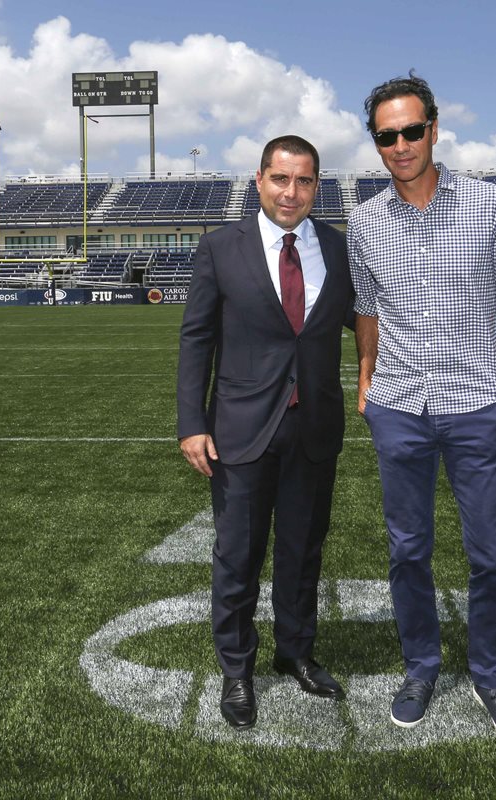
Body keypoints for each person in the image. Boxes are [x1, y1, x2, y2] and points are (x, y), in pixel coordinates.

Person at [347, 73, 496, 743]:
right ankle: (421, 667)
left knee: (490, 553)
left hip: (476, 404)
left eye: (409, 131)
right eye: (385, 136)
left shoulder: (490, 206)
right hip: (398, 406)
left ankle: (491, 674)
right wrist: (367, 386)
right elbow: (367, 313)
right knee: (408, 551)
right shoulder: (364, 222)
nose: (399, 145)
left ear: (434, 128)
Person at [177, 135, 354, 730]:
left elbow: (370, 322)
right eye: (281, 179)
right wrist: (191, 423)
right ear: (259, 180)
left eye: (305, 181)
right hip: (240, 429)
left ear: (316, 187)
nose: (291, 192)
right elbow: (196, 338)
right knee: (238, 555)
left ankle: (296, 651)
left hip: (315, 428)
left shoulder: (338, 246)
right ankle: (236, 669)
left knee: (303, 551)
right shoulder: (221, 248)